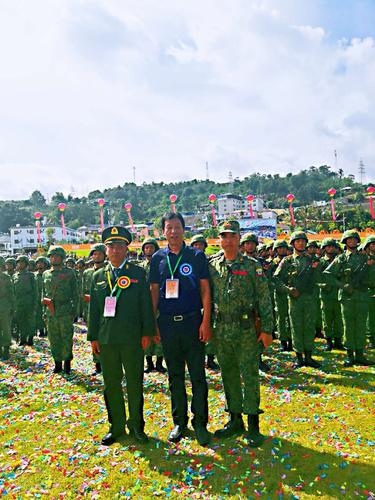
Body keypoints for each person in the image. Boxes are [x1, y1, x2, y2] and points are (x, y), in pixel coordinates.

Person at [88, 226, 156, 445]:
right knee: (111, 384)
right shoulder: (98, 275)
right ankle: (116, 426)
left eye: (119, 246)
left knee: (135, 382)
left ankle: (136, 425)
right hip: (107, 339)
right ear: (106, 250)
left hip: (132, 338)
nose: (115, 250)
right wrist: (93, 338)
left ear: (126, 249)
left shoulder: (137, 273)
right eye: (111, 246)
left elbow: (146, 305)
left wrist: (147, 332)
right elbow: (94, 311)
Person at [150, 212, 212, 446]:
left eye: (177, 227)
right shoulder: (157, 258)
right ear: (163, 231)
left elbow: (205, 290)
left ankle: (201, 423)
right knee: (174, 375)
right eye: (169, 228)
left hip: (192, 322)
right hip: (167, 323)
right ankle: (180, 422)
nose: (173, 232)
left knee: (198, 375)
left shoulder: (196, 256)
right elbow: (154, 292)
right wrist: (153, 322)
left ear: (183, 230)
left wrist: (206, 321)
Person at [209, 220, 273, 447]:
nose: (228, 240)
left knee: (250, 375)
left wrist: (267, 329)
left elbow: (264, 298)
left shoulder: (252, 265)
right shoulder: (212, 264)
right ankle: (235, 419)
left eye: (232, 236)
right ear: (220, 239)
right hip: (222, 330)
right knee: (228, 374)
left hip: (246, 329)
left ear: (239, 238)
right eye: (224, 236)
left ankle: (253, 424)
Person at [324, 230, 374, 366]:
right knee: (348, 326)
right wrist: (343, 286)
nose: (352, 241)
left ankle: (360, 354)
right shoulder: (341, 258)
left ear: (358, 241)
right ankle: (350, 355)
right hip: (347, 297)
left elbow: (371, 275)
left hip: (362, 295)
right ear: (345, 241)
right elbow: (328, 274)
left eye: (354, 239)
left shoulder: (365, 258)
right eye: (349, 239)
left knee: (361, 325)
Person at [273, 231, 321, 368]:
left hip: (309, 298)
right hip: (295, 299)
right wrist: (288, 290)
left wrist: (316, 270)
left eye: (303, 241)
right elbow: (276, 279)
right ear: (293, 243)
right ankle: (299, 357)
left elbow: (319, 279)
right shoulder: (287, 261)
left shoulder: (312, 260)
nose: (301, 243)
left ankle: (309, 356)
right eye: (297, 241)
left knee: (309, 326)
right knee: (296, 327)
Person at [42, 246, 78, 374]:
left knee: (66, 337)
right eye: (51, 256)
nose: (54, 258)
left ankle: (67, 363)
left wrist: (75, 311)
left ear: (62, 258)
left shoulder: (69, 273)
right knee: (53, 338)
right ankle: (57, 363)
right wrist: (44, 311)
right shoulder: (46, 274)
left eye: (56, 256)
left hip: (65, 310)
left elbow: (75, 293)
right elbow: (43, 292)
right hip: (51, 311)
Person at [138, 238, 167, 374]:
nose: (148, 250)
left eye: (151, 247)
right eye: (146, 248)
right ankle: (149, 362)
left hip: (160, 303)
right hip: (144, 304)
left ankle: (159, 363)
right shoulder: (139, 267)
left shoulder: (162, 264)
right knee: (146, 331)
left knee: (160, 332)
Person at [190, 234, 219, 371]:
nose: (198, 247)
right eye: (195, 245)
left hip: (211, 302)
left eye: (200, 245)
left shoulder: (212, 263)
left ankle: (211, 358)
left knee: (211, 331)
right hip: (194, 303)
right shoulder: (187, 264)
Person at [82, 243, 107, 375]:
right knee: (94, 336)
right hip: (90, 310)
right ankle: (97, 365)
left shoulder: (108, 271)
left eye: (99, 254)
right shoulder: (87, 273)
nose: (96, 256)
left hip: (104, 311)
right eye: (94, 254)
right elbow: (83, 291)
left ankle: (106, 363)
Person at [316, 239, 343, 351]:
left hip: (338, 293)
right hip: (326, 295)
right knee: (327, 319)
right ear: (324, 248)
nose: (331, 249)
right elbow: (315, 278)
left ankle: (338, 341)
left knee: (338, 319)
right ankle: (329, 341)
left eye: (333, 247)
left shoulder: (340, 261)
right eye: (328, 246)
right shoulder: (320, 262)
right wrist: (323, 285)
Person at [271, 240, 292, 351]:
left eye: (283, 248)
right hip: (279, 293)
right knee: (281, 317)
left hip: (290, 292)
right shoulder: (272, 263)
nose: (282, 250)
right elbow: (271, 278)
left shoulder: (290, 261)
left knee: (291, 317)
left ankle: (291, 340)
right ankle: (283, 340)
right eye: (279, 248)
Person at [13, 255, 37, 346]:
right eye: (19, 262)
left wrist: (34, 304)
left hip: (29, 302)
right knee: (21, 321)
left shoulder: (31, 275)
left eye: (22, 262)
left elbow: (35, 291)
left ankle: (30, 338)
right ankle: (23, 339)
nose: (20, 264)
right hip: (19, 302)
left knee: (30, 321)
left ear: (26, 264)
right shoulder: (15, 276)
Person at [0, 257, 15, 360]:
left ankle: (5, 350)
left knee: (6, 329)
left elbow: (11, 294)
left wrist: (13, 307)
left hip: (5, 307)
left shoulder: (6, 278)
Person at [34, 256, 49, 338]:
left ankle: (48, 330)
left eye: (42, 263)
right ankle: (41, 330)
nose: (40, 265)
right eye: (38, 263)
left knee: (47, 314)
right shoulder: (34, 275)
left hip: (47, 298)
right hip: (37, 298)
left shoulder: (48, 274)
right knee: (38, 315)